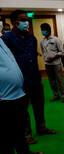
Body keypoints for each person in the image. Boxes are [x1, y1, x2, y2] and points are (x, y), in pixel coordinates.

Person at [2, 10, 56, 145]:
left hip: (35, 77)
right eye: (23, 20)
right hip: (20, 80)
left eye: (27, 19)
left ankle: (41, 127)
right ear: (15, 22)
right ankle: (26, 134)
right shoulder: (6, 38)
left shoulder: (32, 38)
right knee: (23, 109)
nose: (26, 22)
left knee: (39, 104)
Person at [0, 16, 44, 154]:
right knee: (5, 134)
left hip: (17, 93)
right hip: (3, 97)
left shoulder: (1, 40)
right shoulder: (6, 38)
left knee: (18, 128)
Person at [40, 23, 64, 101]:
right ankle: (56, 95)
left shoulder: (56, 39)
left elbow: (62, 52)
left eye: (44, 30)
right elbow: (43, 52)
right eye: (42, 30)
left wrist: (53, 58)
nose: (43, 31)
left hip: (56, 64)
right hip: (47, 64)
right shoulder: (42, 41)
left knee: (59, 80)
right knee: (51, 80)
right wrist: (46, 59)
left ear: (49, 30)